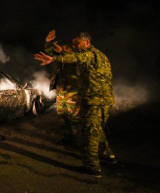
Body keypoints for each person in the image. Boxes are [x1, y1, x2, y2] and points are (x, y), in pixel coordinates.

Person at [35, 31, 117, 178]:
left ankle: (93, 166)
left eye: (76, 44)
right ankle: (106, 154)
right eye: (72, 45)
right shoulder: (90, 54)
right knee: (92, 127)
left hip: (92, 99)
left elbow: (74, 57)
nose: (72, 47)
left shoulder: (88, 55)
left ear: (87, 42)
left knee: (89, 131)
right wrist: (51, 47)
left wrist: (55, 57)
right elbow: (66, 55)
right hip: (95, 98)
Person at [44, 30, 81, 148]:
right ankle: (67, 139)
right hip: (61, 92)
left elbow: (71, 58)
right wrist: (48, 42)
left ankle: (78, 142)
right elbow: (49, 52)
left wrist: (62, 52)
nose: (61, 50)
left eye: (65, 49)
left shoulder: (76, 57)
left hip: (73, 92)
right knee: (62, 117)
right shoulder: (59, 57)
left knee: (74, 119)